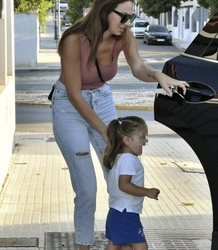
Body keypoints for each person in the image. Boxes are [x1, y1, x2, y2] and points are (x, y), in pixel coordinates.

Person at [50, 0, 188, 249]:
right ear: (104, 11)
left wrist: (157, 75)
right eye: (122, 17)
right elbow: (74, 94)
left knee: (118, 173)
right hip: (69, 106)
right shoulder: (74, 40)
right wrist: (107, 132)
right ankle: (83, 244)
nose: (127, 24)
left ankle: (122, 240)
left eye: (131, 18)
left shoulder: (125, 35)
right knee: (87, 189)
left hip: (101, 99)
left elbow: (137, 67)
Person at [103, 116, 160, 250]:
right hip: (126, 212)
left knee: (117, 244)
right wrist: (148, 192)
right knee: (140, 246)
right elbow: (124, 185)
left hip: (116, 211)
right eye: (142, 138)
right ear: (127, 140)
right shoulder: (129, 160)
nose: (144, 142)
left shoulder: (119, 158)